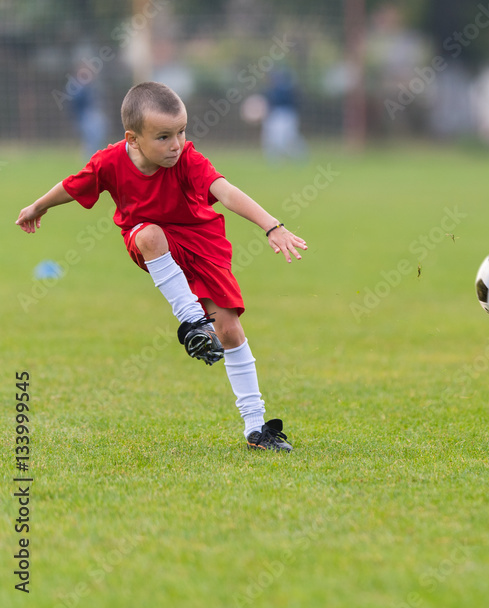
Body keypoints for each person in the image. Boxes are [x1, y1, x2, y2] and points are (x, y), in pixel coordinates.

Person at [15, 82, 308, 451]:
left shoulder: (188, 159)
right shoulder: (110, 162)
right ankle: (192, 320)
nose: (176, 144)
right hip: (152, 242)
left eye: (182, 132)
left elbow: (226, 191)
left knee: (231, 331)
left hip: (203, 245)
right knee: (149, 234)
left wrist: (272, 225)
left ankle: (255, 428)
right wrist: (38, 206)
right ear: (133, 139)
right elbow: (73, 185)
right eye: (164, 136)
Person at [262, 69, 306, 163]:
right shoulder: (271, 90)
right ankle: (275, 159)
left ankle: (300, 157)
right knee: (272, 138)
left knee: (288, 138)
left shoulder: (284, 89)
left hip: (286, 115)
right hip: (275, 115)